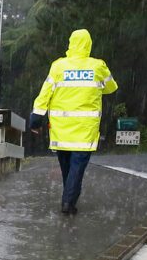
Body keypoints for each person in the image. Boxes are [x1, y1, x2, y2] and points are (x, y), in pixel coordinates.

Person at [29, 28, 118, 214]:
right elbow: (111, 87)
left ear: (70, 44)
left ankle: (68, 198)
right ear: (89, 45)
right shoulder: (97, 66)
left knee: (67, 168)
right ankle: (68, 202)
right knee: (77, 168)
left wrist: (36, 118)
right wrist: (94, 87)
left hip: (61, 129)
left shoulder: (58, 66)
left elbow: (45, 93)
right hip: (85, 130)